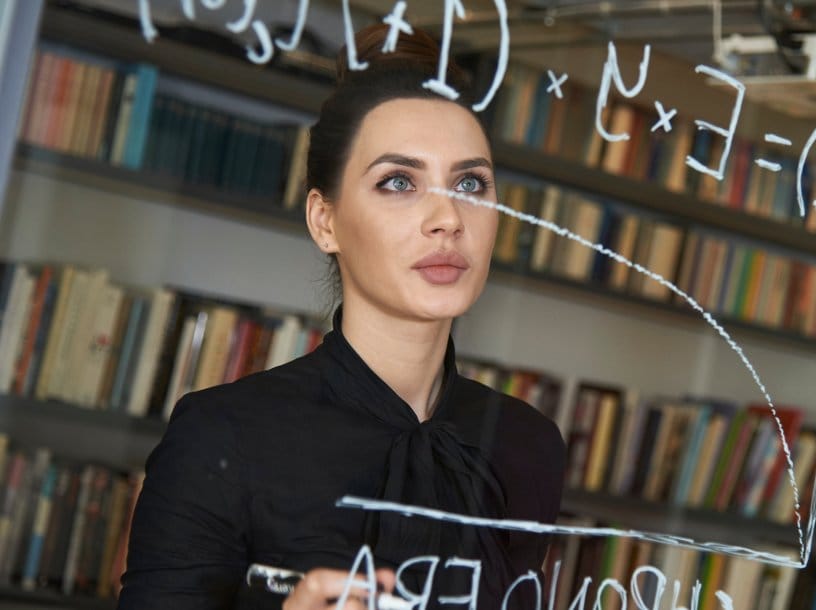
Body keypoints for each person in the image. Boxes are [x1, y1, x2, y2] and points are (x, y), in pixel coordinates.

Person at [117, 23, 567, 610]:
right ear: (324, 221)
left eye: (470, 183)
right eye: (399, 181)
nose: (448, 218)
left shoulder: (528, 444)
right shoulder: (220, 435)